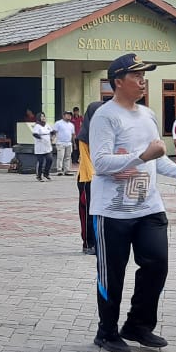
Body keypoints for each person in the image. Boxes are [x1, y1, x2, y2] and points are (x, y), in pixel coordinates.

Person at [88, 54, 176, 352]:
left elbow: (156, 158)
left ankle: (138, 325)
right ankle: (106, 332)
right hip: (112, 211)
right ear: (118, 82)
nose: (142, 81)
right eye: (136, 76)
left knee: (157, 264)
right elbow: (101, 163)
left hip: (149, 207)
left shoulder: (148, 115)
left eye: (144, 76)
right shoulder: (105, 116)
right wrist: (142, 156)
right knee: (113, 274)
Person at [75, 100, 101, 257]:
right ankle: (88, 243)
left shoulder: (104, 133)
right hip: (88, 178)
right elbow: (86, 160)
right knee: (88, 213)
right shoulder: (84, 136)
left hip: (102, 177)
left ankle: (100, 242)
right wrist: (93, 177)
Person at [30, 113, 54, 180]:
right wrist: (41, 138)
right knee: (41, 162)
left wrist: (52, 137)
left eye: (44, 116)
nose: (43, 118)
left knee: (50, 159)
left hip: (47, 146)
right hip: (40, 146)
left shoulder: (47, 125)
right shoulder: (37, 126)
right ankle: (39, 175)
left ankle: (46, 173)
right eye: (41, 116)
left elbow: (52, 132)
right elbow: (35, 134)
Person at [53, 111, 75, 176]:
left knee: (68, 157)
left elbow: (73, 134)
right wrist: (52, 139)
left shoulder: (71, 125)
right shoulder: (58, 123)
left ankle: (67, 170)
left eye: (70, 115)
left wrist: (74, 143)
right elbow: (54, 132)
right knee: (60, 157)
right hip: (60, 142)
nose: (69, 116)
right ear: (63, 116)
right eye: (67, 115)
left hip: (69, 143)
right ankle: (59, 170)